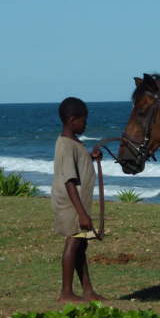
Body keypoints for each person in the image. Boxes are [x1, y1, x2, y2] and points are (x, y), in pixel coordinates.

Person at [51, 97, 106, 303]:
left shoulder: (73, 142)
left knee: (80, 245)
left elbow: (78, 165)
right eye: (84, 120)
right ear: (72, 120)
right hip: (71, 203)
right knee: (73, 242)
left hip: (76, 203)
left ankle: (88, 291)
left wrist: (91, 157)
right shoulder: (66, 144)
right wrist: (81, 212)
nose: (86, 124)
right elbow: (69, 180)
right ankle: (65, 293)